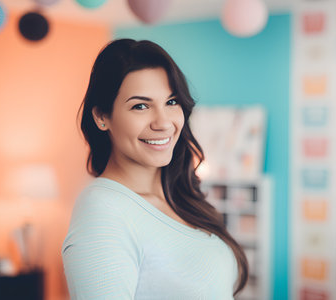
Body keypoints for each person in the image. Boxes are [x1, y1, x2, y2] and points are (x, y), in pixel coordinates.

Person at [61, 39, 248, 299]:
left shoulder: (180, 197)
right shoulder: (103, 211)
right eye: (141, 106)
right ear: (102, 117)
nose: (163, 122)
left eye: (171, 102)